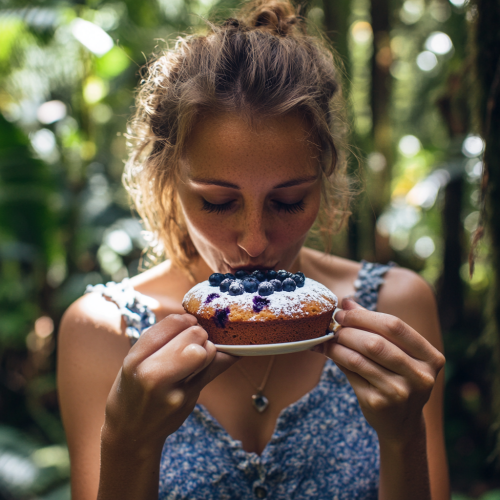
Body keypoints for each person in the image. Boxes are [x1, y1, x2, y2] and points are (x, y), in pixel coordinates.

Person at [57, 1, 449, 499]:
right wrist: (128, 442)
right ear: (168, 180)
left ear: (324, 181)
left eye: (288, 201)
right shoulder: (104, 332)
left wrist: (402, 436)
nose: (255, 242)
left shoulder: (395, 309)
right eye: (218, 203)